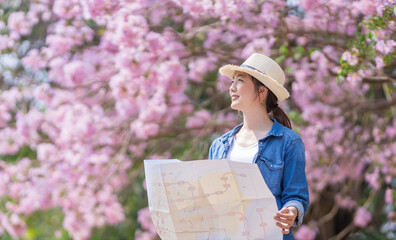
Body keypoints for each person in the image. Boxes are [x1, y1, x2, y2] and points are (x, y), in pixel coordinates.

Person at [209, 53, 309, 240]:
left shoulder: (289, 142)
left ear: (262, 91)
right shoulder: (218, 145)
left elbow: (296, 195)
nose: (231, 88)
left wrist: (291, 211)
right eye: (232, 81)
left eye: (239, 80)